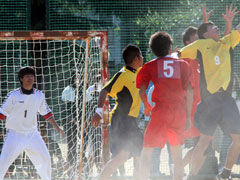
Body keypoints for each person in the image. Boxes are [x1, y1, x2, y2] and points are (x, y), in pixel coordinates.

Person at [180, 14, 240, 180]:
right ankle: (191, 175)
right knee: (204, 142)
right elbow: (178, 54)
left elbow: (236, 30)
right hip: (210, 102)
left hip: (226, 100)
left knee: (238, 139)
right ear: (205, 34)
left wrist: (229, 21)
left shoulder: (227, 43)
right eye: (213, 27)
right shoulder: (200, 45)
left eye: (217, 27)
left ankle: (226, 172)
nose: (217, 28)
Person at [137, 31, 193, 180]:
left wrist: (148, 106)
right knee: (177, 156)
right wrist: (187, 116)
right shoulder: (183, 64)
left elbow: (142, 92)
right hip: (179, 112)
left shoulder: (149, 66)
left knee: (147, 152)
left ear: (153, 50)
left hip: (160, 111)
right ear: (170, 47)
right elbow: (189, 91)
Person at [0, 66, 64, 180]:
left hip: (32, 134)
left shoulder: (39, 95)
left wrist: (58, 128)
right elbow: (2, 114)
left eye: (32, 76)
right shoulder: (13, 96)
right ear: (21, 79)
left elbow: (47, 113)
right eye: (27, 76)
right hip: (15, 134)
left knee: (45, 159)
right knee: (3, 161)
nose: (30, 78)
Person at [91, 44, 143, 180]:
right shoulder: (123, 74)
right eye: (141, 55)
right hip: (121, 120)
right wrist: (99, 112)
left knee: (140, 152)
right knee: (122, 156)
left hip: (130, 120)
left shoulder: (138, 72)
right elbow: (104, 90)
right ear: (137, 58)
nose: (143, 58)